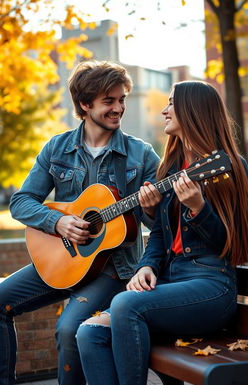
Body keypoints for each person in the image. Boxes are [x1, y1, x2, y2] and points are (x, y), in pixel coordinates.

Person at [0, 60, 162, 385]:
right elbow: (21, 202)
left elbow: (161, 229)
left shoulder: (142, 156)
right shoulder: (57, 148)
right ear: (85, 104)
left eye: (122, 99)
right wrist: (58, 223)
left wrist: (152, 210)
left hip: (114, 269)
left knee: (69, 329)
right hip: (62, 260)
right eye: (109, 101)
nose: (119, 108)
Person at [76, 80, 248, 385]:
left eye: (171, 103)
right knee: (89, 333)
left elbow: (233, 245)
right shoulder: (170, 169)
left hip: (210, 286)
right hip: (170, 283)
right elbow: (158, 236)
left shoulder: (227, 167)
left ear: (192, 110)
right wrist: (146, 265)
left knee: (126, 304)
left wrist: (199, 209)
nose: (164, 110)